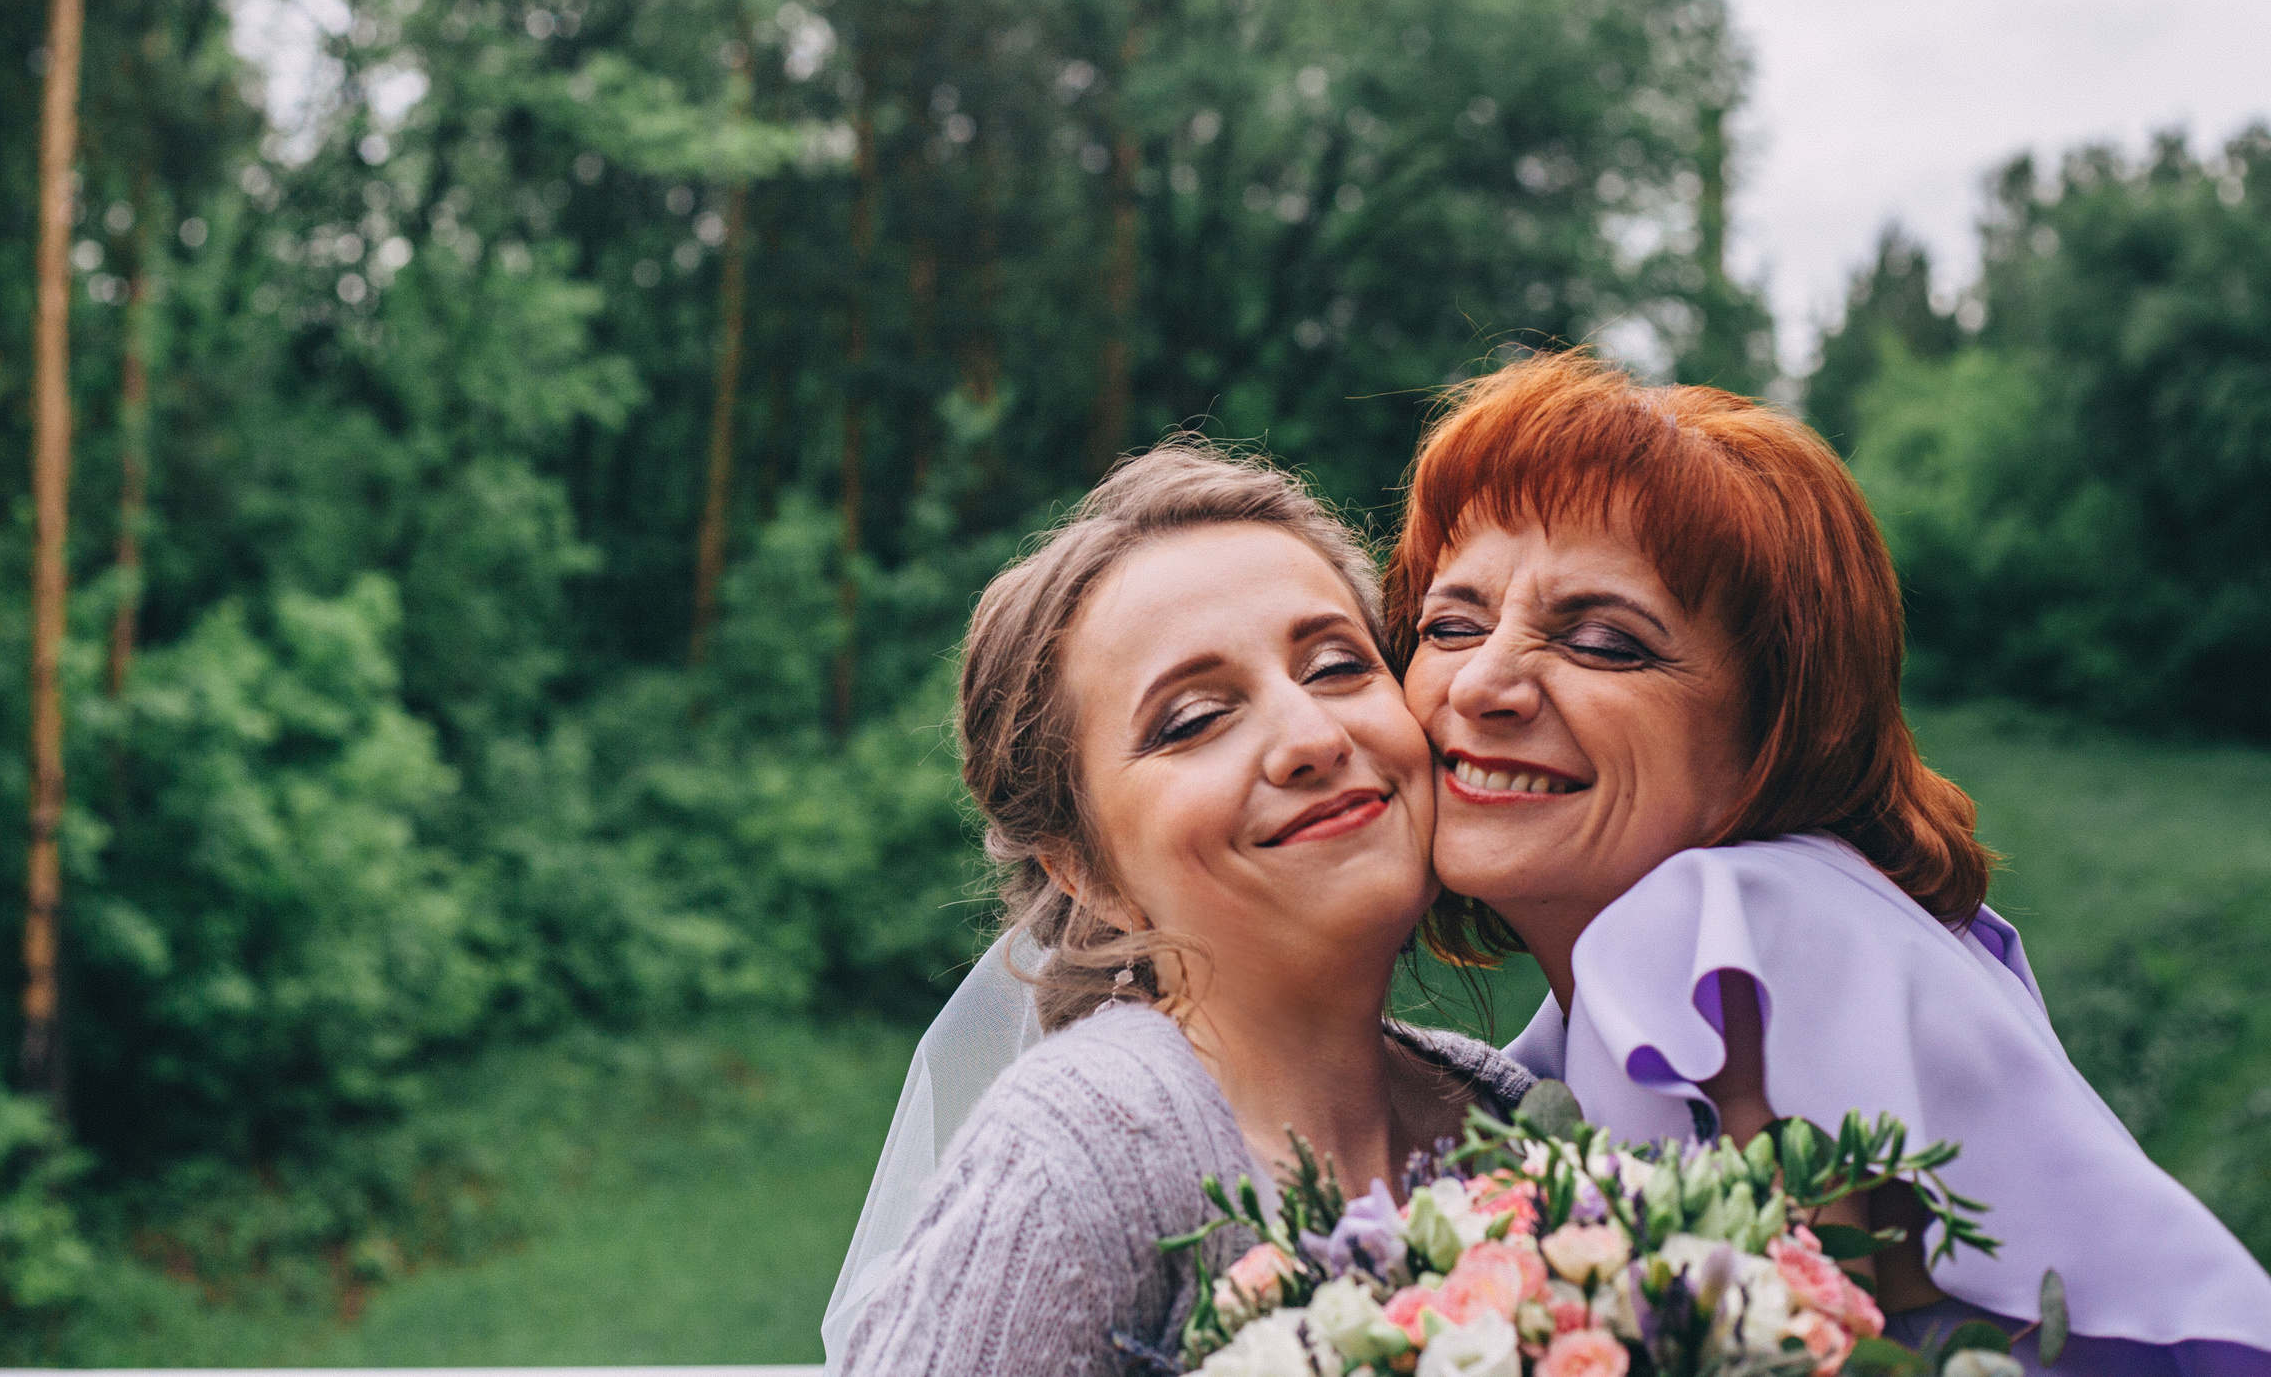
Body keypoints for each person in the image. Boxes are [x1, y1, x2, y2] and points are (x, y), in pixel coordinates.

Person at [1389, 350, 2271, 1373]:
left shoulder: (1726, 938)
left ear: (1776, 728)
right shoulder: (1647, 992)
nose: (1482, 683)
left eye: (1603, 642)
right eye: (1450, 625)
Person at [830, 440, 1534, 1375]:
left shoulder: (1510, 1116)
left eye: (1335, 665)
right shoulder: (1081, 1159)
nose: (1312, 736)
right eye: (1195, 719)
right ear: (1083, 870)